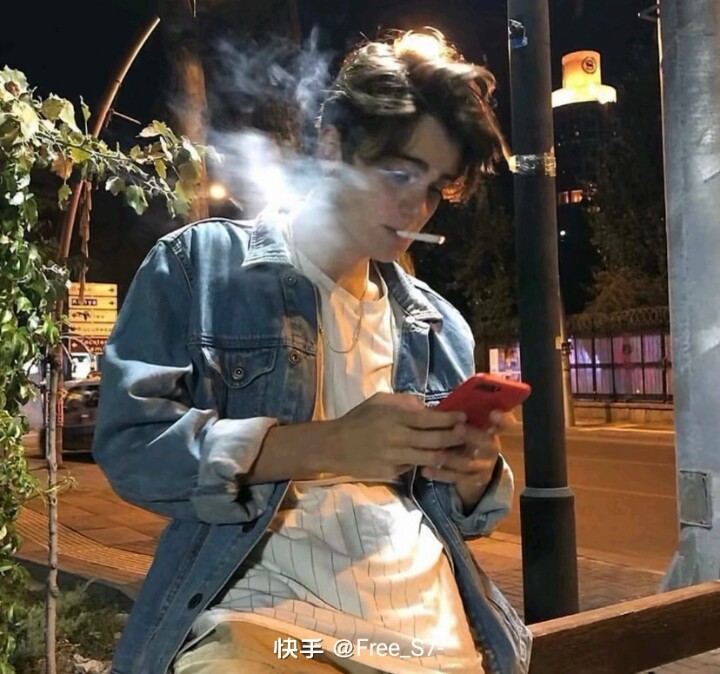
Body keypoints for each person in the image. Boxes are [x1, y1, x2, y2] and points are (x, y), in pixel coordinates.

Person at [92, 28, 532, 674]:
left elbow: (463, 518)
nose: (417, 206)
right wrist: (327, 445)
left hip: (427, 639)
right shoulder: (200, 267)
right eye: (399, 172)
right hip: (270, 631)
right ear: (331, 146)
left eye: (436, 187)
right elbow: (132, 449)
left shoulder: (439, 327)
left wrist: (473, 476)